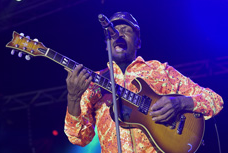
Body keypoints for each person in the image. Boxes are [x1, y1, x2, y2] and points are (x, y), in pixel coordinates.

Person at [64, 12, 224, 152]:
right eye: (114, 32)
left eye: (126, 31)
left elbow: (215, 101)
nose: (119, 34)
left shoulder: (160, 71)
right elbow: (78, 138)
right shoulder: (93, 84)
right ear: (107, 45)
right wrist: (73, 98)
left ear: (138, 42)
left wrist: (180, 103)